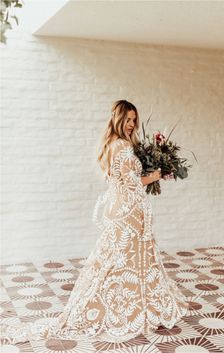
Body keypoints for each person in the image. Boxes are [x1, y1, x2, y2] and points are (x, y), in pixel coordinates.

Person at [0, 99, 188, 344]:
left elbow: (120, 179)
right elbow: (132, 183)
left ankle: (124, 304)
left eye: (134, 120)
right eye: (128, 119)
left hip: (118, 209)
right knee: (126, 261)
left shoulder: (111, 144)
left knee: (118, 261)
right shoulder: (122, 146)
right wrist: (154, 175)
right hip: (127, 212)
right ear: (118, 119)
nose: (131, 124)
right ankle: (126, 310)